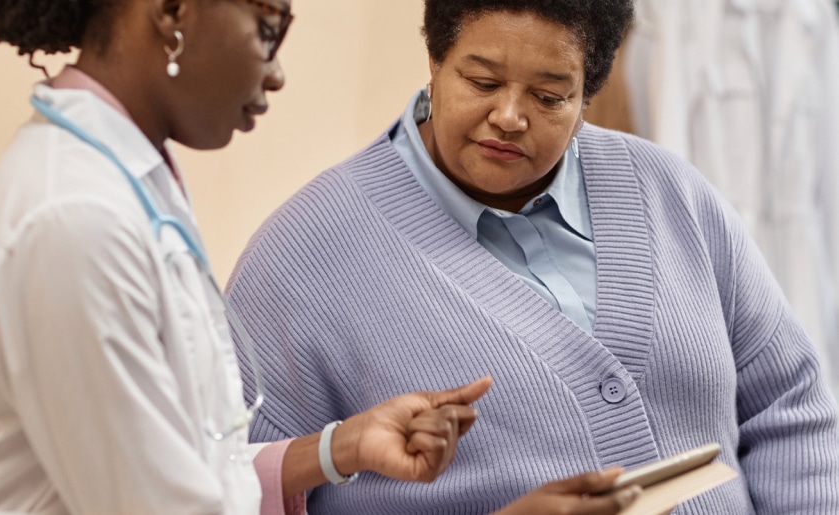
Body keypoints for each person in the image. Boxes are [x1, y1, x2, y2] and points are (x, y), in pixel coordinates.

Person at [0, 0, 643, 514]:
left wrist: (342, 447)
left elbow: (189, 466)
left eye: (549, 95)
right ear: (175, 14)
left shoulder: (125, 188)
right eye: (269, 28)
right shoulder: (75, 221)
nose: (276, 75)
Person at [226, 0, 839, 513]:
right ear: (434, 63)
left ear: (585, 99)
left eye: (549, 97)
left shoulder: (668, 192)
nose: (509, 117)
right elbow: (226, 491)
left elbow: (790, 407)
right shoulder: (300, 259)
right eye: (482, 82)